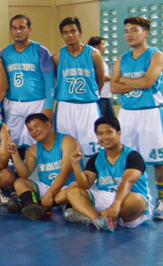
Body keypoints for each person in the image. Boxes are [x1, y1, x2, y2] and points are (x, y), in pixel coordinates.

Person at [110, 16, 163, 219]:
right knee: (126, 157)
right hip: (127, 114)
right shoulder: (121, 59)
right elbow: (113, 87)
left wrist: (123, 79)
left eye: (134, 30)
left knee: (158, 160)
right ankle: (130, 197)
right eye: (126, 31)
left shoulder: (156, 55)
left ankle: (161, 200)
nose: (129, 35)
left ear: (146, 33)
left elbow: (148, 82)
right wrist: (133, 82)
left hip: (151, 112)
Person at [64, 117, 151, 231]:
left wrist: (116, 204)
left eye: (109, 132)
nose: (105, 137)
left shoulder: (133, 156)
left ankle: (90, 216)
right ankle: (98, 220)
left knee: (137, 201)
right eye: (100, 134)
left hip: (127, 202)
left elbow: (127, 182)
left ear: (119, 133)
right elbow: (84, 185)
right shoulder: (96, 158)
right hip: (106, 198)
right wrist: (75, 164)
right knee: (72, 189)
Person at [6, 113, 80, 220]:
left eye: (36, 126)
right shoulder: (32, 150)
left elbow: (65, 171)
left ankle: (30, 205)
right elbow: (24, 174)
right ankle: (34, 207)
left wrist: (50, 194)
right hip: (46, 187)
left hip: (67, 186)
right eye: (30, 129)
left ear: (49, 124)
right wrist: (14, 154)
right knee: (19, 182)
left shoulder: (67, 141)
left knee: (74, 190)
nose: (34, 131)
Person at [1, 14, 56, 151]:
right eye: (14, 28)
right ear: (10, 30)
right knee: (13, 143)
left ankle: (38, 172)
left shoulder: (41, 51)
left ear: (29, 30)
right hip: (13, 104)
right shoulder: (4, 54)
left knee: (37, 143)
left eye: (22, 28)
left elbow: (50, 82)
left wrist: (49, 107)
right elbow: (1, 83)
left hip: (37, 103)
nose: (18, 31)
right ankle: (17, 171)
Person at [53, 17, 104, 157]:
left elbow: (100, 80)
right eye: (66, 32)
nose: (70, 35)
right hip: (65, 106)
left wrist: (90, 95)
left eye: (73, 31)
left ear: (80, 32)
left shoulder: (94, 54)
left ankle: (91, 178)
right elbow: (56, 80)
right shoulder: (57, 57)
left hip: (88, 106)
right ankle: (70, 178)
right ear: (62, 35)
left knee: (92, 148)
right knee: (65, 148)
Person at [88, 36, 115, 119]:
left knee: (112, 121)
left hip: (106, 96)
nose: (105, 46)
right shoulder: (92, 59)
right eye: (103, 44)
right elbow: (98, 76)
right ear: (96, 47)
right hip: (100, 96)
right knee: (99, 120)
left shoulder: (101, 59)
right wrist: (112, 78)